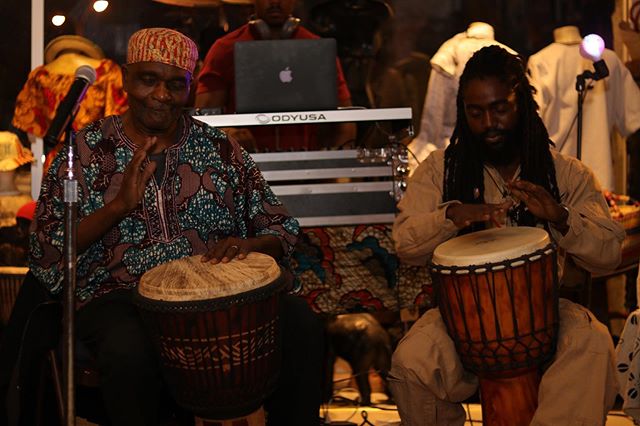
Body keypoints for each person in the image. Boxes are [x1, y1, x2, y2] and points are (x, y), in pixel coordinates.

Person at [27, 28, 322, 425]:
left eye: (174, 84)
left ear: (191, 86)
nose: (161, 95)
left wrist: (248, 243)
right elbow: (49, 248)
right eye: (148, 79)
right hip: (117, 295)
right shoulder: (85, 150)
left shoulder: (220, 148)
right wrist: (118, 206)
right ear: (127, 77)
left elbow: (282, 228)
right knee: (129, 350)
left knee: (301, 324)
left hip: (215, 295)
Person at [389, 45, 625, 425]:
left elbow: (610, 252)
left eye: (500, 108)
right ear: (463, 112)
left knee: (593, 344)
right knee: (411, 363)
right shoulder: (439, 171)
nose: (489, 123)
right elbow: (405, 244)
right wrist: (450, 216)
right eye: (475, 112)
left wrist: (562, 218)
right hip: (459, 321)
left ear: (523, 105)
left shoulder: (565, 174)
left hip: (546, 314)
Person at [195, 0, 355, 152]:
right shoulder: (225, 49)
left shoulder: (318, 50)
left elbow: (346, 121)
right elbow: (203, 119)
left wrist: (332, 167)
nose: (275, 2)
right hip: (243, 170)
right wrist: (226, 134)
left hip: (306, 169)